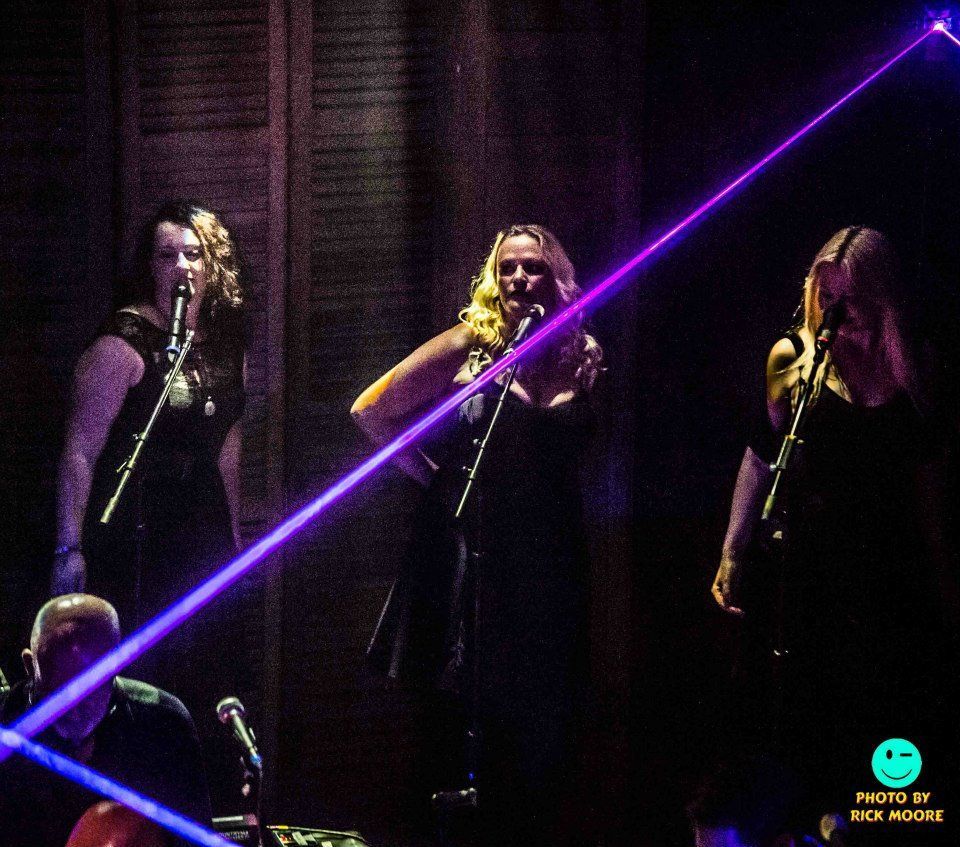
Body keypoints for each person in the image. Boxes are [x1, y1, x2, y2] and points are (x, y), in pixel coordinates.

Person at [352, 224, 602, 844]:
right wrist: (434, 477)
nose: (519, 279)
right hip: (473, 545)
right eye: (507, 268)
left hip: (549, 552)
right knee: (461, 706)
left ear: (556, 279)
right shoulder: (474, 343)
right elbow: (370, 410)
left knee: (539, 721)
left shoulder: (580, 354)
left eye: (533, 268)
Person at [709, 227, 957, 824]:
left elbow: (931, 480)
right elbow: (759, 455)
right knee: (807, 708)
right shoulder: (793, 358)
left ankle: (879, 817)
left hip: (891, 563)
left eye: (854, 298)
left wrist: (944, 571)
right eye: (828, 297)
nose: (840, 312)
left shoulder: (914, 362)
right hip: (814, 562)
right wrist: (732, 552)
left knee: (888, 713)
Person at [50, 201, 246, 811]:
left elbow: (228, 451)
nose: (182, 266)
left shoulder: (224, 346)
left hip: (200, 533)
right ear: (150, 268)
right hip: (137, 535)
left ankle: (195, 810)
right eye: (168, 255)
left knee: (202, 669)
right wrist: (69, 548)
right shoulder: (125, 344)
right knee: (142, 676)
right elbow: (80, 449)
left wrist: (235, 544)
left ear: (212, 265)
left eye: (194, 254)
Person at [0, 594, 211, 847]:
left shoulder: (162, 722)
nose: (73, 708)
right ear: (29, 664)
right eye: (59, 690)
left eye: (89, 688)